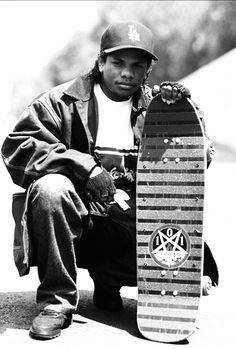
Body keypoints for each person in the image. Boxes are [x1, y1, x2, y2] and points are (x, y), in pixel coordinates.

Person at [1, 20, 218, 340]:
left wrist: (186, 114)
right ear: (100, 61)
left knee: (187, 269)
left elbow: (195, 164)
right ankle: (56, 302)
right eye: (117, 62)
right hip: (78, 228)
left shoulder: (158, 108)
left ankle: (109, 281)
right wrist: (84, 168)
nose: (127, 73)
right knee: (50, 189)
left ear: (148, 71)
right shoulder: (60, 102)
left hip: (130, 227)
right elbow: (18, 148)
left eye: (137, 65)